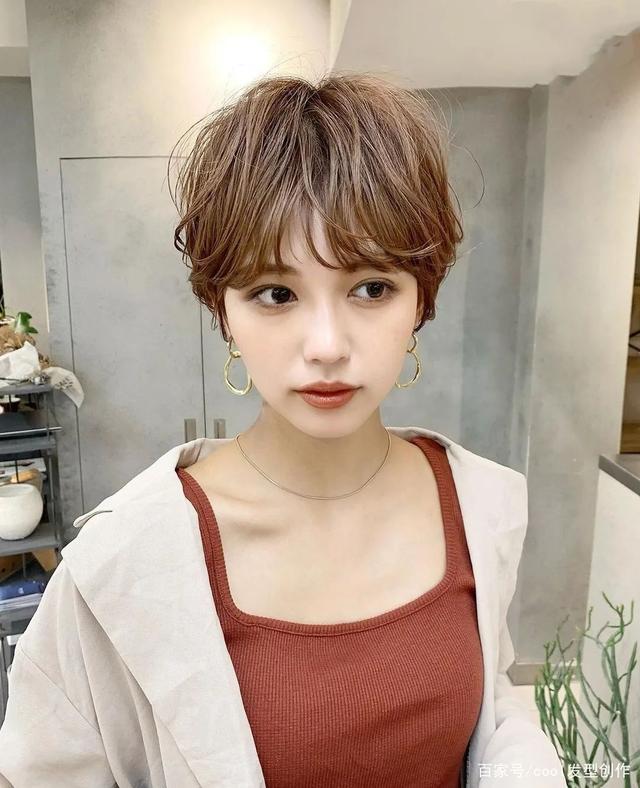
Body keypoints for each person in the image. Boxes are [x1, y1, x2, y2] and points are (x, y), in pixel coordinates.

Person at [0, 73, 566, 787]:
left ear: (421, 298)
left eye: (371, 288)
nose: (326, 345)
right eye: (276, 293)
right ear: (223, 312)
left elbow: (493, 705)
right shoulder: (123, 563)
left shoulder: (477, 504)